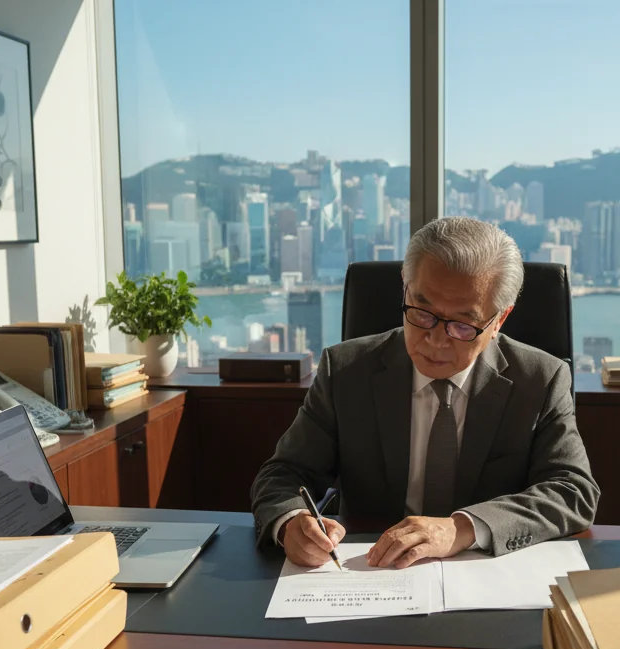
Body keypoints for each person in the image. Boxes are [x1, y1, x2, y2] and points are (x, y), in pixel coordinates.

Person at [250, 216, 599, 568]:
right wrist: (291, 522)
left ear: (499, 321)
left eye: (462, 325)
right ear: (405, 287)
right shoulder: (344, 370)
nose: (435, 340)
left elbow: (572, 492)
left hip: (485, 576)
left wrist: (461, 528)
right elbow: (283, 475)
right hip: (370, 572)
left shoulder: (540, 379)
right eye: (421, 312)